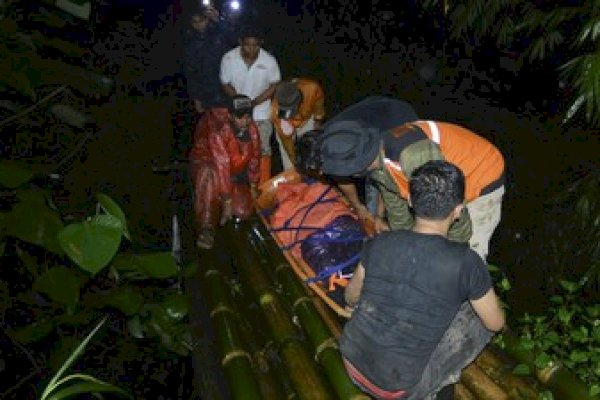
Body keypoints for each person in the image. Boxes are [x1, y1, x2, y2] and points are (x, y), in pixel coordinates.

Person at [339, 160, 505, 400]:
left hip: (350, 360)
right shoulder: (467, 263)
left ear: (409, 202)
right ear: (458, 210)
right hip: (397, 388)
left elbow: (351, 296)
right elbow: (496, 324)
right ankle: (437, 385)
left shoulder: (379, 242)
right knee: (478, 319)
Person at [320, 120, 505, 261]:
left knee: (467, 257)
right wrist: (405, 242)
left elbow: (449, 204)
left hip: (480, 175)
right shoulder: (375, 161)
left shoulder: (412, 155)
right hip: (444, 182)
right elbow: (395, 204)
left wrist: (452, 251)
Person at [321, 96, 419, 229]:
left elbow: (389, 185)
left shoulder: (401, 156)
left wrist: (371, 213)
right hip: (376, 111)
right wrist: (375, 215)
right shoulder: (332, 142)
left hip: (397, 118)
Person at [189, 95, 260, 249]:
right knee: (210, 175)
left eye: (248, 116)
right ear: (230, 116)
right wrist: (227, 200)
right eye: (240, 117)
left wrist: (253, 185)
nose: (245, 121)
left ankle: (224, 198)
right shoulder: (218, 131)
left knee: (243, 211)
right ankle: (206, 227)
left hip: (233, 170)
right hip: (210, 164)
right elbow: (222, 165)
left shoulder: (252, 130)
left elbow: (254, 158)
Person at [220, 25, 281, 185]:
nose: (252, 49)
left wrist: (254, 102)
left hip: (261, 111)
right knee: (236, 148)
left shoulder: (269, 61)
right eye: (247, 45)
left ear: (261, 43)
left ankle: (262, 186)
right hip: (238, 112)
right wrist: (240, 102)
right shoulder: (228, 58)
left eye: (256, 45)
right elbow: (225, 83)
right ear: (240, 42)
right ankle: (237, 184)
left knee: (263, 148)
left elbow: (274, 84)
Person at [182, 5, 230, 115]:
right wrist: (196, 98)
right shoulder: (190, 42)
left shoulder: (219, 33)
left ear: (207, 19)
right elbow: (191, 72)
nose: (199, 24)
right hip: (206, 91)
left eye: (202, 20)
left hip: (227, 87)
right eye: (195, 22)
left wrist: (219, 20)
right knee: (210, 126)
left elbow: (234, 38)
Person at [270, 78, 326, 171]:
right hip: (287, 124)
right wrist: (296, 163)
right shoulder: (277, 113)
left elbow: (318, 108)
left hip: (307, 119)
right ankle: (293, 175)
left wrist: (317, 124)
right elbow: (287, 143)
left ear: (299, 102)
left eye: (290, 110)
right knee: (290, 163)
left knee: (311, 150)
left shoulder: (312, 88)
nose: (288, 115)